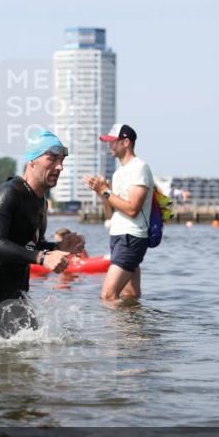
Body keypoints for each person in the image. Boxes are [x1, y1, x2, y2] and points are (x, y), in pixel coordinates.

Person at [0, 131, 84, 342]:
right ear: (32, 161)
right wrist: (42, 258)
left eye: (62, 160)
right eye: (52, 158)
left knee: (30, 363)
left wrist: (58, 246)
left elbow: (29, 244)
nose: (60, 166)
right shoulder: (8, 193)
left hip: (18, 296)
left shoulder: (41, 201)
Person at [83, 123, 154, 303]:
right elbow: (111, 214)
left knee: (108, 296)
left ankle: (115, 332)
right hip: (118, 236)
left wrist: (106, 191)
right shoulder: (118, 173)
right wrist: (102, 193)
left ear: (126, 142)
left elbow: (132, 209)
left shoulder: (139, 167)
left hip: (131, 237)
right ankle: (133, 331)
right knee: (130, 296)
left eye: (113, 142)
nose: (109, 146)